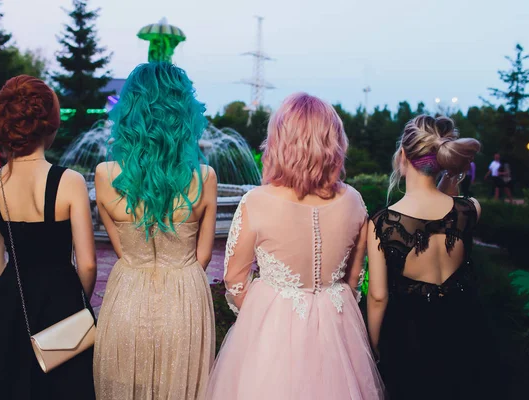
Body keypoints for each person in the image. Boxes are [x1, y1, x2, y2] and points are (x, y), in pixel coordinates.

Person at [206, 93, 384, 400]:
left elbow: (235, 281)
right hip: (338, 325)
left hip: (271, 327)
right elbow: (355, 279)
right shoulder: (354, 201)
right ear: (334, 141)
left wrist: (262, 317)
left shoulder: (256, 202)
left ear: (279, 141)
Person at [0, 75, 97, 400]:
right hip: (61, 302)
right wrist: (72, 303)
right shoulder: (69, 181)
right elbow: (87, 264)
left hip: (8, 303)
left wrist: (21, 291)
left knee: (4, 384)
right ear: (49, 125)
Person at [93, 63, 217, 400]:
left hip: (127, 296)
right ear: (184, 112)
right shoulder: (204, 177)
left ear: (129, 110)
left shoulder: (105, 174)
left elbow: (122, 247)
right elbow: (202, 256)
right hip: (185, 301)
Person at [368, 115, 502, 400]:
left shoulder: (383, 223)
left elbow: (378, 296)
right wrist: (451, 176)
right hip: (467, 330)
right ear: (441, 158)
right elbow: (444, 208)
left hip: (410, 338)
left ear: (402, 155)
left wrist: (376, 346)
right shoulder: (470, 210)